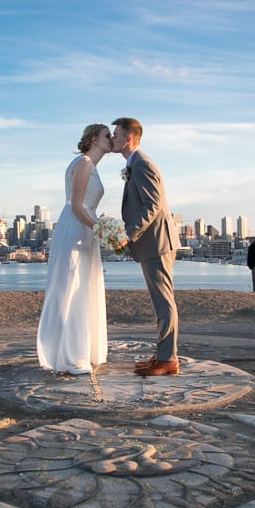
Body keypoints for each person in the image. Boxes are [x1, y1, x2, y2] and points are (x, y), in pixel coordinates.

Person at [37, 124, 113, 374]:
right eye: (107, 136)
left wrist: (98, 228)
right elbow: (78, 206)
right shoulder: (83, 164)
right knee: (72, 287)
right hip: (76, 227)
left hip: (86, 227)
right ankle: (71, 356)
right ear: (93, 138)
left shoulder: (92, 166)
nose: (111, 139)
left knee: (84, 286)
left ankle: (83, 349)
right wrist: (104, 230)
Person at [112, 117, 181, 376]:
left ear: (128, 138)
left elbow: (152, 205)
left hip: (157, 242)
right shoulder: (136, 164)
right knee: (160, 302)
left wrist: (128, 235)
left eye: (116, 134)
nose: (113, 139)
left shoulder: (142, 164)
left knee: (164, 302)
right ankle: (163, 355)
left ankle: (168, 359)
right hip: (153, 243)